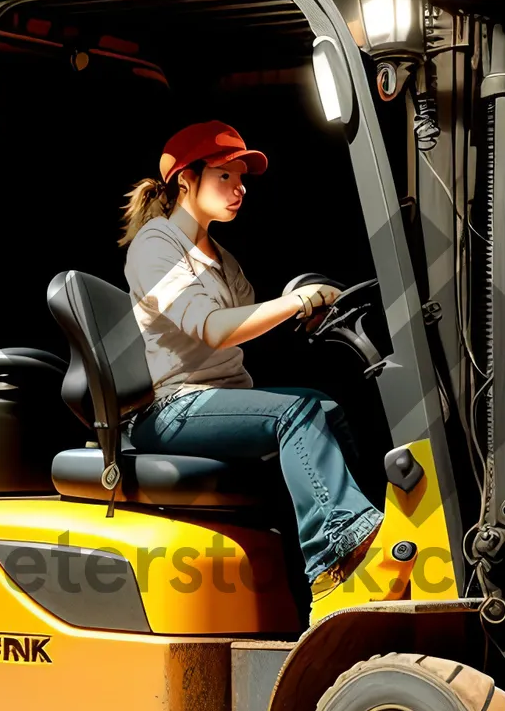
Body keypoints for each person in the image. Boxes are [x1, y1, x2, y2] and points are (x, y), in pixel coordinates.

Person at [120, 120, 383, 601]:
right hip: (172, 408)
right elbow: (217, 331)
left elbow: (248, 321)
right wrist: (296, 302)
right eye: (225, 175)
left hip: (216, 401)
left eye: (242, 179)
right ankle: (339, 556)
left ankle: (351, 539)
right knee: (296, 413)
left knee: (325, 408)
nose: (240, 188)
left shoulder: (222, 258)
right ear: (186, 180)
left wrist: (305, 309)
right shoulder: (156, 245)